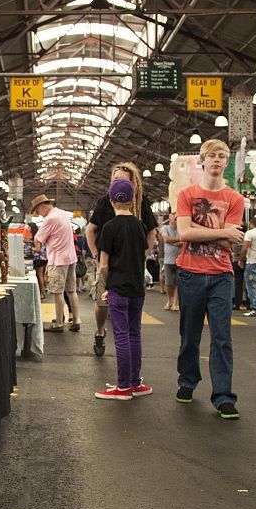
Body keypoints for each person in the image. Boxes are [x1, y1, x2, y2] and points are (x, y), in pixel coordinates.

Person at [174, 139, 246, 420]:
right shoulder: (187, 194)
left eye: (222, 156)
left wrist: (195, 228)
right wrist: (222, 232)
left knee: (222, 337)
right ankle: (187, 381)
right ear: (202, 161)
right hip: (190, 273)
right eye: (212, 155)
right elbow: (184, 234)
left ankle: (224, 396)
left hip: (221, 276)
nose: (217, 159)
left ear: (226, 162)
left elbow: (230, 239)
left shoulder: (235, 199)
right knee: (189, 335)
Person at [87, 162, 157, 351]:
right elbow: (90, 230)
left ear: (133, 184)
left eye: (122, 180)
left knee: (130, 321)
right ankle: (100, 332)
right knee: (102, 303)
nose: (117, 183)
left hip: (132, 268)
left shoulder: (142, 202)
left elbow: (152, 231)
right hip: (107, 263)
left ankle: (127, 364)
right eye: (114, 179)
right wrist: (96, 255)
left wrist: (142, 255)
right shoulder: (105, 202)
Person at [94, 178, 152, 400]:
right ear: (133, 199)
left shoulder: (109, 228)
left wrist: (108, 286)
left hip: (118, 288)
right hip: (137, 289)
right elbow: (142, 257)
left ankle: (123, 386)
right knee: (135, 333)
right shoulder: (140, 226)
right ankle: (136, 383)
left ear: (111, 201)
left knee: (121, 336)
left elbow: (103, 265)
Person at [31, 194, 80, 333]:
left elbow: (37, 238)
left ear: (42, 206)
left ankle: (59, 323)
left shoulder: (50, 218)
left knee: (58, 292)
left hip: (58, 260)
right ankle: (76, 320)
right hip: (70, 258)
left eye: (38, 211)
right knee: (71, 291)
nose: (39, 214)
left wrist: (37, 248)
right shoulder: (62, 213)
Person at [160, 218, 182, 311]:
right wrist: (178, 240)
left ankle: (175, 303)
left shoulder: (181, 229)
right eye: (174, 216)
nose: (176, 219)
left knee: (178, 283)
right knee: (168, 283)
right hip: (168, 260)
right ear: (170, 218)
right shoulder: (165, 228)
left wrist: (171, 241)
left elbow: (184, 242)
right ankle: (169, 300)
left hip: (180, 261)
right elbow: (166, 239)